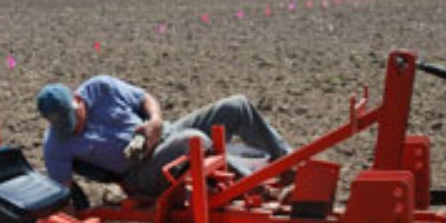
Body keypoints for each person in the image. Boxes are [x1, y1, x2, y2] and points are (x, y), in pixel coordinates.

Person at [36, 76, 292, 197]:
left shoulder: (100, 87)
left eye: (74, 120)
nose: (73, 129)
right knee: (195, 141)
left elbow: (144, 98)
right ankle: (259, 189)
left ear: (77, 100)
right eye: (65, 128)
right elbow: (64, 191)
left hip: (166, 132)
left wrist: (154, 121)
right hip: (142, 171)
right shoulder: (56, 145)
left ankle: (290, 166)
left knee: (236, 106)